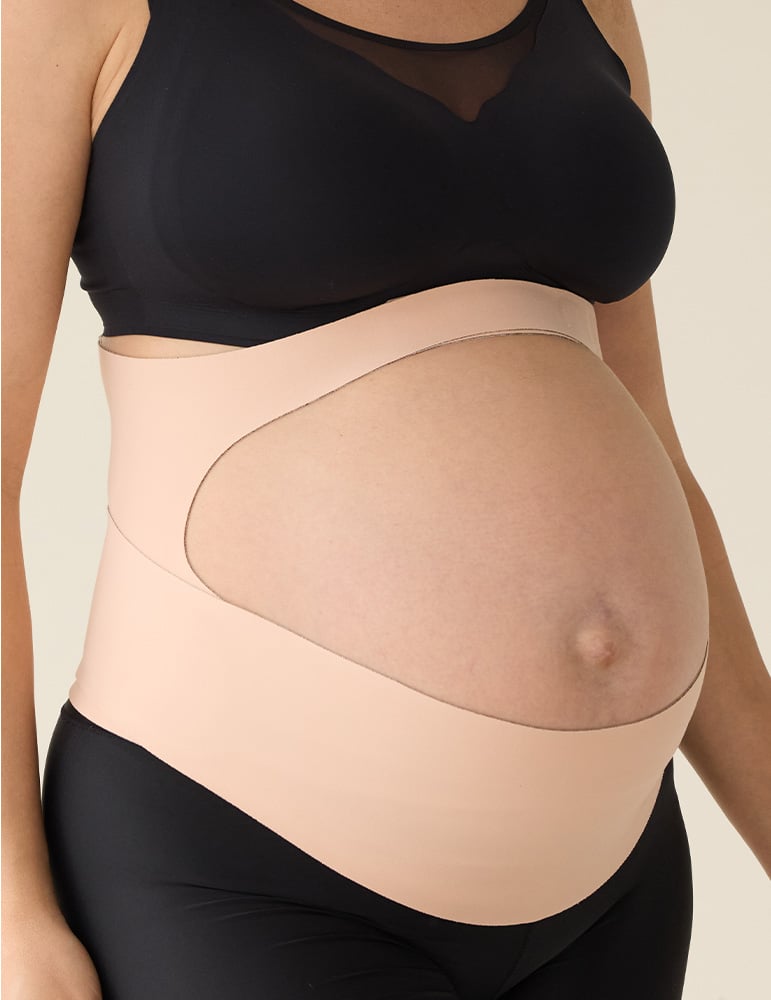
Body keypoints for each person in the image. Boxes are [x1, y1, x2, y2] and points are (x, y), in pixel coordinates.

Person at [3, 1, 769, 998]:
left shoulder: (592, 12)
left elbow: (648, 429)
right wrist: (11, 913)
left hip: (614, 872)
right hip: (243, 862)